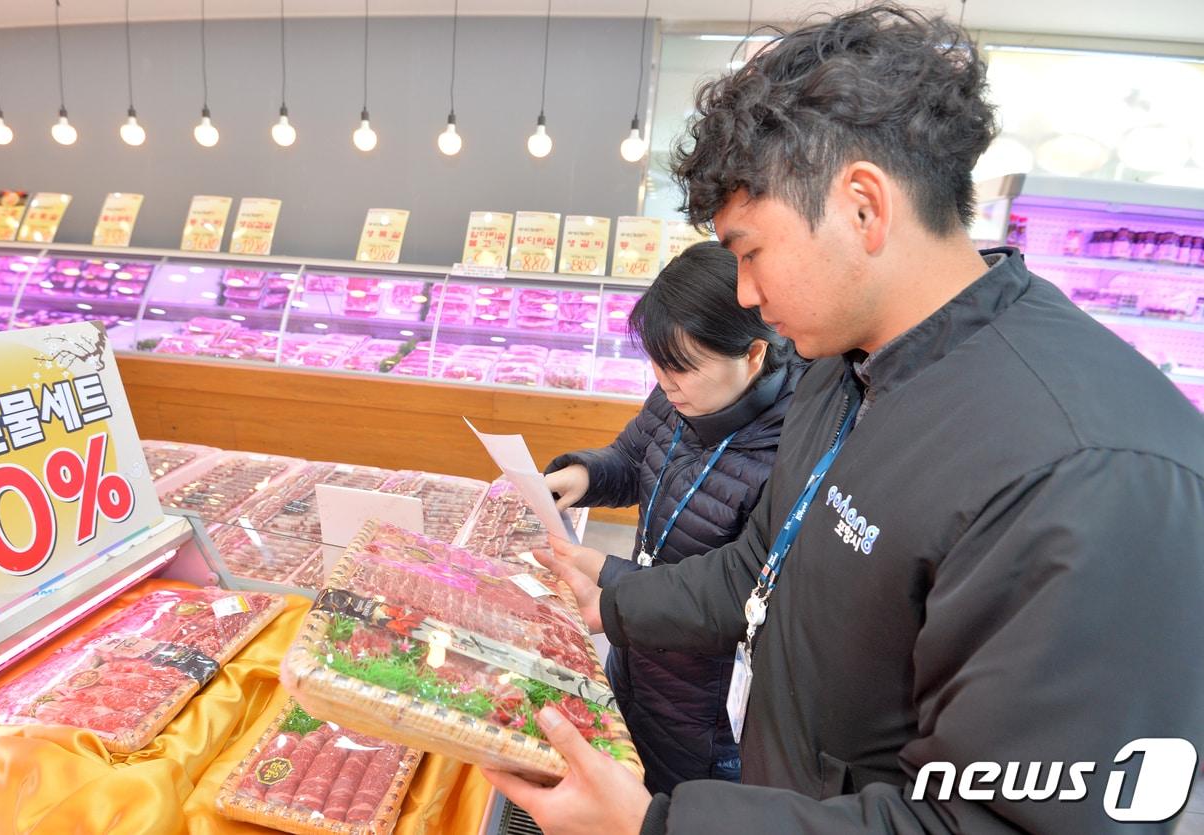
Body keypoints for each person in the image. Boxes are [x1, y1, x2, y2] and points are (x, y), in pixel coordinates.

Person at [482, 5, 1204, 833]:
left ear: (862, 206)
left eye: (751, 250)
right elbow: (761, 567)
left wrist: (660, 827)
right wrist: (609, 593)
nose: (745, 295)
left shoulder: (1092, 469)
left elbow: (999, 823)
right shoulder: (839, 366)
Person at [542, 241, 802, 794]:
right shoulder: (676, 398)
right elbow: (634, 457)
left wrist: (610, 578)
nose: (665, 380)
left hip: (703, 703)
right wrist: (584, 476)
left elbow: (744, 597)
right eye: (657, 362)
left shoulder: (790, 452)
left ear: (754, 355)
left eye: (682, 366)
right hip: (634, 653)